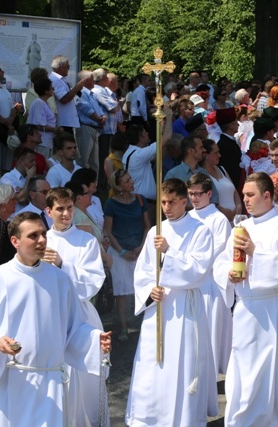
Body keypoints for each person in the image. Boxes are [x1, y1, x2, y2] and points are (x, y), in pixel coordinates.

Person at [0, 211, 112, 426]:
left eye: (43, 234)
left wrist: (95, 339)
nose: (41, 240)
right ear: (15, 241)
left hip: (51, 382)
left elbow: (74, 328)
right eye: (33, 236)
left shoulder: (59, 279)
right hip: (11, 382)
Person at [214, 172, 278, 426]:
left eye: (250, 195)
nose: (245, 200)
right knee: (247, 367)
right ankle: (245, 419)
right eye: (244, 195)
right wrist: (229, 274)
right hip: (248, 309)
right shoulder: (242, 227)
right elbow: (223, 261)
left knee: (277, 366)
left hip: (277, 307)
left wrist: (255, 254)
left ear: (267, 195)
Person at [126, 178, 219, 426]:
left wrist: (169, 252)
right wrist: (149, 290)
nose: (166, 207)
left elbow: (199, 270)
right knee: (154, 360)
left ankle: (185, 417)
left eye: (172, 202)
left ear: (184, 201)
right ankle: (152, 416)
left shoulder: (200, 230)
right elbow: (143, 270)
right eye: (163, 202)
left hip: (185, 306)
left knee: (184, 361)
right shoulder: (155, 231)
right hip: (160, 305)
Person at [44, 188, 107, 427]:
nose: (66, 213)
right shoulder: (41, 240)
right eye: (60, 208)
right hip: (49, 318)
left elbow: (93, 281)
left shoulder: (86, 241)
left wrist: (63, 264)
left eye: (69, 207)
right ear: (48, 211)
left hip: (80, 315)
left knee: (83, 380)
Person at [186, 173, 232, 376]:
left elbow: (220, 249)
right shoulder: (187, 217)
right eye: (190, 194)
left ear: (209, 193)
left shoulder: (218, 219)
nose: (194, 198)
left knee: (211, 329)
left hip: (210, 281)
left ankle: (211, 374)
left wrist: (194, 264)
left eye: (198, 194)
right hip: (190, 281)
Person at [103, 169, 150, 341]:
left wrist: (140, 247)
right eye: (127, 180)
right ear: (119, 186)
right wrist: (121, 251)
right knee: (121, 291)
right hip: (118, 252)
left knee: (143, 287)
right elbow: (108, 229)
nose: (131, 182)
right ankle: (124, 327)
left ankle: (143, 325)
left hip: (138, 249)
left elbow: (147, 226)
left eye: (130, 178)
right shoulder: (111, 204)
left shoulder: (140, 199)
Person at [199, 138, 241, 223]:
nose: (219, 155)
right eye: (215, 153)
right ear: (206, 155)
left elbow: (234, 191)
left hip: (235, 219)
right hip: (218, 221)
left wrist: (239, 206)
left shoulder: (222, 169)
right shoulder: (201, 174)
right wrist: (223, 211)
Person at [49, 55, 87, 135]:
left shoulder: (60, 80)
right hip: (63, 122)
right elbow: (64, 99)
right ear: (62, 67)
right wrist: (76, 88)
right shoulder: (55, 80)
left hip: (67, 121)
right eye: (68, 67)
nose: (69, 69)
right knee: (66, 146)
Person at [26, 77, 61, 159]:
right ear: (46, 91)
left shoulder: (46, 103)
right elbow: (38, 125)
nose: (53, 89)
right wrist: (55, 130)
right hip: (42, 143)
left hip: (47, 142)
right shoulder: (39, 103)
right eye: (51, 88)